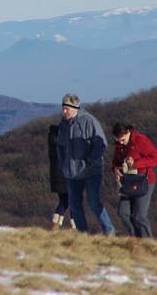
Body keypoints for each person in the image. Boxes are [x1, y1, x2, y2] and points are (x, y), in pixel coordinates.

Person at [56, 94, 115, 235]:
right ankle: (83, 234)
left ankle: (109, 230)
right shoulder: (63, 125)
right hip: (72, 172)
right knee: (74, 205)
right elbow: (60, 146)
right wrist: (63, 164)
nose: (64, 111)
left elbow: (101, 144)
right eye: (63, 108)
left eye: (67, 108)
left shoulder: (89, 121)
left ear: (75, 107)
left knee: (93, 202)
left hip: (91, 171)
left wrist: (90, 161)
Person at [110, 123, 157, 238]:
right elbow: (115, 162)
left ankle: (148, 242)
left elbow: (156, 158)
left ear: (128, 132)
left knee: (139, 215)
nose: (121, 143)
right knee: (123, 213)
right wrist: (116, 170)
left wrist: (136, 164)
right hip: (127, 182)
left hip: (144, 181)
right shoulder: (119, 146)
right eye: (118, 141)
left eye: (122, 140)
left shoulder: (140, 140)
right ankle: (136, 239)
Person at [48, 124, 75, 230]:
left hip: (56, 178)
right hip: (68, 176)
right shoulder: (65, 145)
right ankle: (76, 227)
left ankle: (55, 226)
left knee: (64, 201)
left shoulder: (53, 143)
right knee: (74, 201)